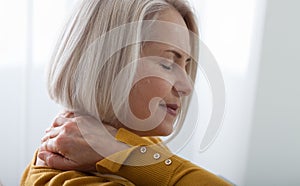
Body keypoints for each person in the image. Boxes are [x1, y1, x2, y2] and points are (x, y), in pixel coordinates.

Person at [21, 0, 232, 185]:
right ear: (109, 65)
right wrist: (125, 156)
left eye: (186, 65)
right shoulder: (69, 180)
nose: (186, 87)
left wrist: (120, 152)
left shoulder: (132, 140)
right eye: (167, 64)